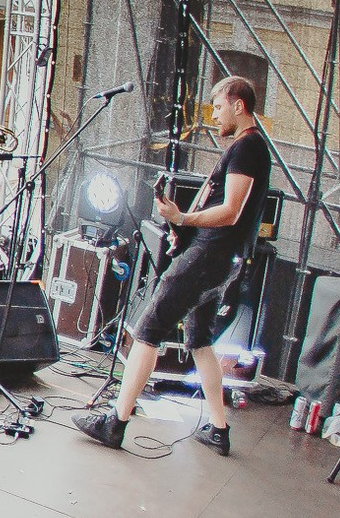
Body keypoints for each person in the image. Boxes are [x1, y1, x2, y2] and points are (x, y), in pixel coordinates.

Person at [75, 74, 266, 456]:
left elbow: (230, 212)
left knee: (148, 329)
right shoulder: (249, 148)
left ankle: (116, 422)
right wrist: (183, 225)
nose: (214, 115)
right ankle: (218, 429)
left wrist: (183, 220)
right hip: (216, 258)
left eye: (218, 106)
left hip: (209, 258)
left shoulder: (248, 148)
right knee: (200, 341)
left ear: (238, 106)